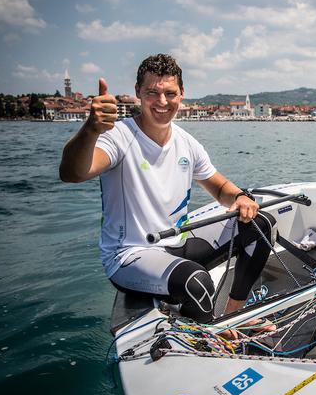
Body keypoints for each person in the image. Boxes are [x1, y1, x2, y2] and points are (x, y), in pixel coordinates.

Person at [59, 54, 274, 331]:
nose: (162, 101)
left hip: (176, 244)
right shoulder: (118, 137)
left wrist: (240, 198)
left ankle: (234, 318)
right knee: (196, 282)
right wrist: (90, 129)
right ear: (138, 92)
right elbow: (72, 173)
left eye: (170, 93)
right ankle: (213, 340)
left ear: (181, 94)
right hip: (131, 255)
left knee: (259, 225)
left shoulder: (186, 142)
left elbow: (220, 187)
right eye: (152, 93)